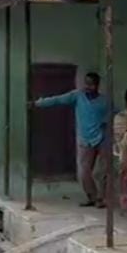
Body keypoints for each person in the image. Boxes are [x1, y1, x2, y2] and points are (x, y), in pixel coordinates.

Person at [33, 71, 109, 207]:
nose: (88, 86)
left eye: (91, 84)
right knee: (84, 172)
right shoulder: (78, 96)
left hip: (102, 138)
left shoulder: (104, 101)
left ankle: (101, 198)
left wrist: (106, 122)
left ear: (97, 85)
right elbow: (57, 100)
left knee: (102, 171)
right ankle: (92, 196)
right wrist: (38, 103)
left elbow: (114, 112)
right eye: (86, 83)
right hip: (85, 140)